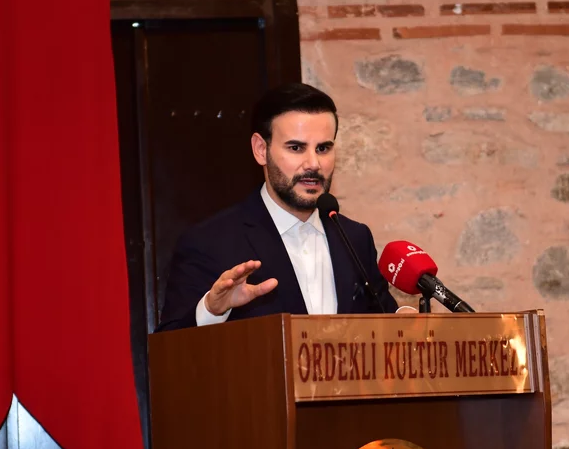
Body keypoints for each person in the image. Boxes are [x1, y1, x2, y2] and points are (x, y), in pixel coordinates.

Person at [157, 83, 397, 331]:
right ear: (261, 150)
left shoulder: (354, 239)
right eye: (296, 148)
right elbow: (169, 346)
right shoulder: (210, 243)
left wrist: (408, 324)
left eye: (323, 148)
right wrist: (211, 311)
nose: (313, 164)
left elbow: (384, 325)